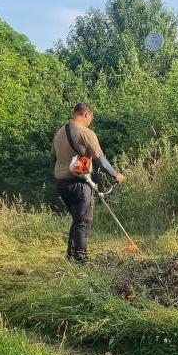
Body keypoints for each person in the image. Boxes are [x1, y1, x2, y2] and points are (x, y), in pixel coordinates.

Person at [51, 102, 124, 263]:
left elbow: (54, 156)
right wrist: (115, 175)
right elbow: (99, 159)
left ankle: (70, 257)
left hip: (61, 183)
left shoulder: (59, 132)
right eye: (90, 118)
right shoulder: (85, 132)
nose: (90, 121)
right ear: (86, 114)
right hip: (79, 183)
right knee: (84, 221)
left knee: (77, 220)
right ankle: (81, 260)